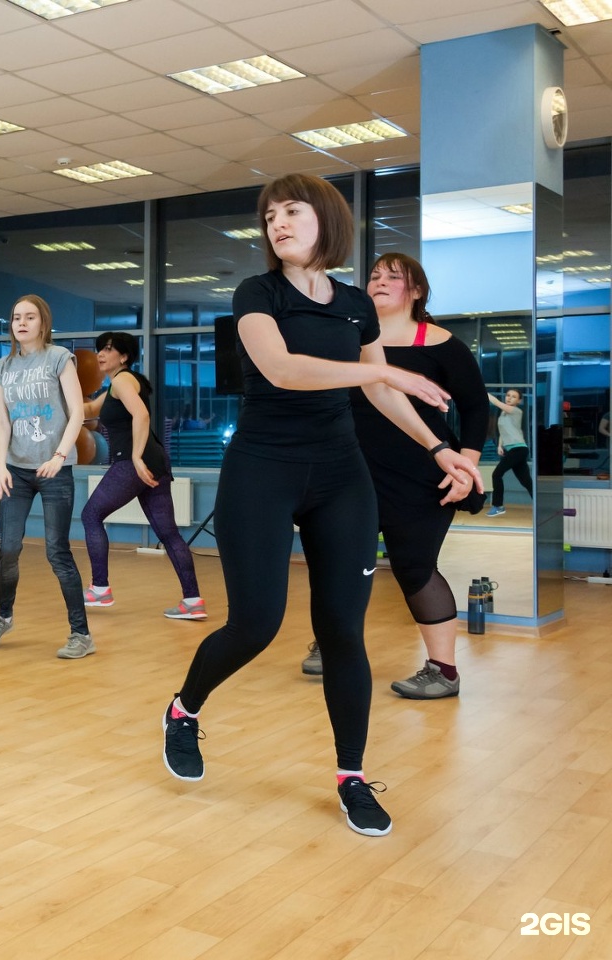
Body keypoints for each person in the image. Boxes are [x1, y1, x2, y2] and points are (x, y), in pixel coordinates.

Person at [158, 174, 481, 838]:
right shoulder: (258, 294)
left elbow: (378, 396)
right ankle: (184, 710)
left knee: (342, 631)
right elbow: (282, 369)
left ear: (325, 220)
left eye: (292, 211)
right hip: (263, 469)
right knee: (257, 624)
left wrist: (435, 448)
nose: (277, 222)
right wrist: (383, 369)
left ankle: (352, 777)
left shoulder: (356, 304)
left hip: (341, 476)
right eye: (270, 214)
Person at [341, 252, 487, 699]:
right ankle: (332, 646)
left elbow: (476, 408)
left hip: (422, 475)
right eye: (374, 275)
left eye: (393, 276)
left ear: (417, 291)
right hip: (352, 471)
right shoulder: (349, 342)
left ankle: (443, 671)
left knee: (414, 566)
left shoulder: (443, 344)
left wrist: (465, 465)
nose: (380, 281)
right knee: (340, 564)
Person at [0, 294, 93, 659]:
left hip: (54, 470)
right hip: (17, 471)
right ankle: (4, 615)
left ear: (43, 323)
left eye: (29, 317)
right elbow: (3, 420)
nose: (22, 323)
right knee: (8, 547)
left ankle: (81, 634)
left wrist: (61, 455)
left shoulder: (59, 358)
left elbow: (77, 412)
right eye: (16, 318)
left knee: (56, 550)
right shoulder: (2, 368)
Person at [79, 331, 205, 620]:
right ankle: (193, 601)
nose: (101, 354)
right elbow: (87, 410)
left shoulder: (122, 380)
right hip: (156, 461)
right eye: (100, 349)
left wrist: (135, 457)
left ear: (123, 356)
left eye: (108, 349)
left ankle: (100, 588)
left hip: (134, 462)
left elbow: (142, 416)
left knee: (90, 515)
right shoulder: (116, 385)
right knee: (168, 532)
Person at [486, 388, 532, 517]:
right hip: (513, 450)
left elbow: (496, 402)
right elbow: (503, 431)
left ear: (519, 400)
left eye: (514, 396)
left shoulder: (516, 411)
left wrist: (484, 392)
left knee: (496, 474)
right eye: (508, 395)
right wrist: (500, 445)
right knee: (526, 481)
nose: (509, 398)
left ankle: (498, 506)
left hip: (519, 449)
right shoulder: (504, 414)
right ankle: (543, 503)